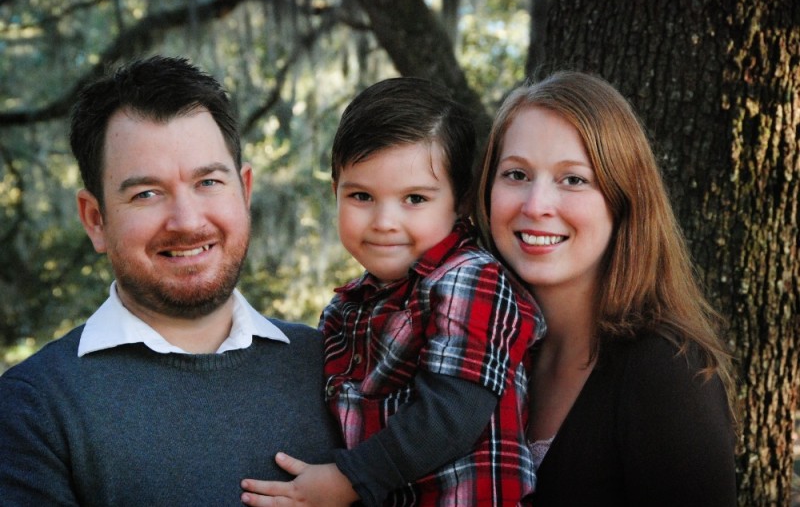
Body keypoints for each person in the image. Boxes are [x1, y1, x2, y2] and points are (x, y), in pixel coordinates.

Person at [0, 55, 342, 505]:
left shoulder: (336, 366)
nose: (186, 221)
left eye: (209, 182)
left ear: (245, 192)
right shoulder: (33, 408)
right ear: (95, 219)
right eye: (147, 193)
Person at [241, 77, 545, 506]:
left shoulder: (469, 279)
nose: (384, 221)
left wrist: (347, 481)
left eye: (415, 199)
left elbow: (451, 415)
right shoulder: (344, 309)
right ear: (336, 194)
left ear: (459, 202)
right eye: (362, 196)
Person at [475, 70, 738, 505]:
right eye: (516, 174)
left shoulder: (666, 373)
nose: (536, 205)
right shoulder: (485, 350)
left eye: (573, 179)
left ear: (623, 199)